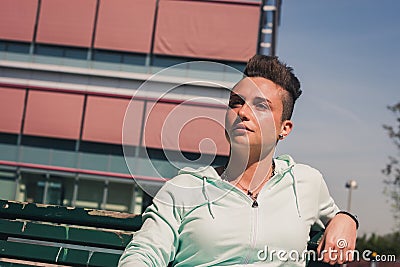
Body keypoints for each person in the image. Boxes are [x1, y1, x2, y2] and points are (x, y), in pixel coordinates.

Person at [118, 55, 358, 266]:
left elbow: (335, 215)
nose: (242, 112)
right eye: (236, 102)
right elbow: (145, 253)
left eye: (261, 106)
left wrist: (347, 219)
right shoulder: (186, 188)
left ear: (284, 129)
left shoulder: (306, 183)